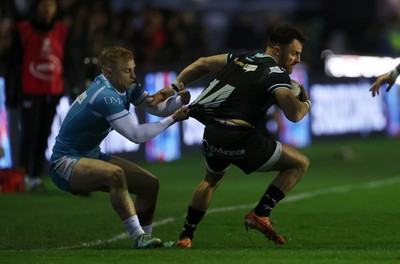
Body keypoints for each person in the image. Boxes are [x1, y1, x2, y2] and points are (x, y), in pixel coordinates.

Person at [152, 23, 310, 247]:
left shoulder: (240, 58)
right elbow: (294, 114)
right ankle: (261, 213)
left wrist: (176, 85)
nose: (297, 59)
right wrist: (306, 102)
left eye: (300, 54)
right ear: (276, 49)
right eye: (294, 53)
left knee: (210, 181)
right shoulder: (277, 73)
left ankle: (186, 236)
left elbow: (203, 62)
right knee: (300, 163)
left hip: (213, 132)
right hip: (239, 137)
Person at [49, 46, 190, 249]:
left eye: (133, 69)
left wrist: (177, 101)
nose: (133, 75)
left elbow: (156, 107)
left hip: (90, 155)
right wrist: (173, 119)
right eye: (127, 70)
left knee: (149, 184)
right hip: (64, 162)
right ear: (109, 73)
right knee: (115, 174)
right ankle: (138, 237)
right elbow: (136, 135)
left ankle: (148, 240)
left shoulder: (126, 86)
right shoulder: (105, 96)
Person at [5, 0, 70, 191]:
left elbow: (66, 60)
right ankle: (21, 177)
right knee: (29, 133)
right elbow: (13, 62)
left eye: (51, 4)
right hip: (30, 90)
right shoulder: (23, 29)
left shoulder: (61, 30)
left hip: (53, 89)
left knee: (44, 134)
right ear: (37, 7)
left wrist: (69, 84)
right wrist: (11, 91)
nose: (47, 9)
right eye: (44, 4)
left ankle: (34, 177)